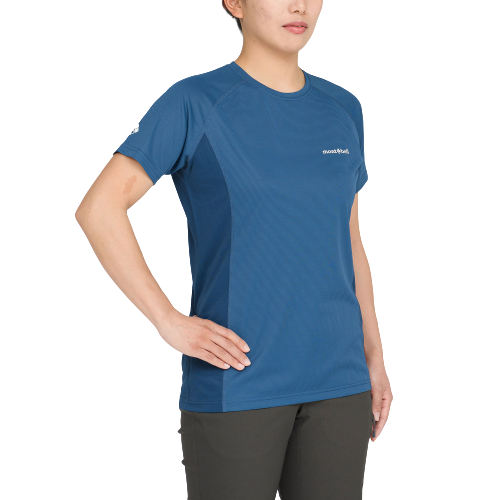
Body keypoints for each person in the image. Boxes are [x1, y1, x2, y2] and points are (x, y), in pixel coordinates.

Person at [75, 0, 393, 498]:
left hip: (340, 384)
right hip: (237, 382)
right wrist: (167, 320)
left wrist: (374, 354)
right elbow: (99, 209)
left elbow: (349, 241)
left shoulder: (343, 108)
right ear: (235, 3)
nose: (299, 5)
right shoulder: (195, 102)